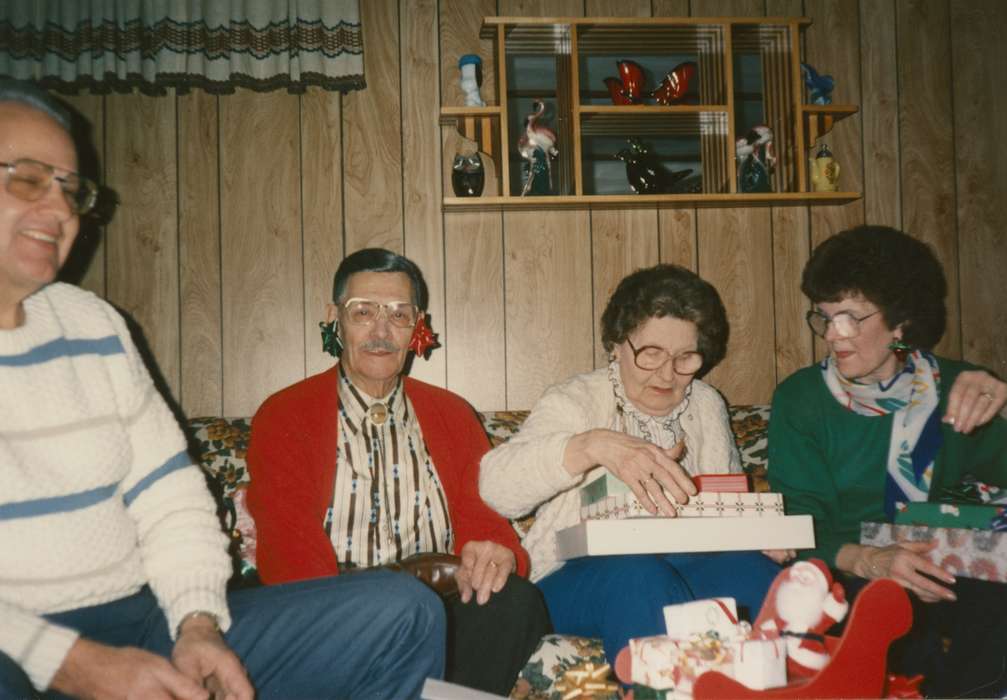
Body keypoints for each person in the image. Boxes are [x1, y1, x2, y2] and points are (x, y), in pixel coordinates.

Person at [0, 79, 445, 700]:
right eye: (27, 178)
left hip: (144, 615)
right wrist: (67, 661)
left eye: (70, 189)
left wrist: (199, 621)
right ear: (335, 318)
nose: (57, 209)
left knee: (403, 609)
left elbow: (172, 497)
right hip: (16, 641)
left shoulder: (93, 325)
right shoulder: (289, 412)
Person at [246, 247, 552, 695]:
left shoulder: (451, 413)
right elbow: (288, 546)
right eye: (363, 312)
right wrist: (371, 615)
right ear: (335, 318)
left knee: (514, 599)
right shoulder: (284, 414)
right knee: (395, 609)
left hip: (441, 598)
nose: (381, 331)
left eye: (399, 315)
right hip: (334, 606)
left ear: (418, 326)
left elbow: (483, 518)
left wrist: (496, 554)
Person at [479, 263, 782, 665]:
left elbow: (721, 511)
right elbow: (495, 488)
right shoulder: (576, 400)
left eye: (686, 357)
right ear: (617, 345)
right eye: (651, 353)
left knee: (754, 574)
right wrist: (592, 446)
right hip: (575, 577)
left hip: (684, 564)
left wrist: (758, 535)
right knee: (639, 576)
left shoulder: (706, 405)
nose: (668, 374)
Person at [768, 224, 1007, 696]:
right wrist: (873, 560)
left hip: (954, 567)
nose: (834, 335)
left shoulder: (960, 387)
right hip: (852, 570)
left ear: (899, 322)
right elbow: (796, 524)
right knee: (894, 618)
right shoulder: (801, 399)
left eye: (853, 317)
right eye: (825, 316)